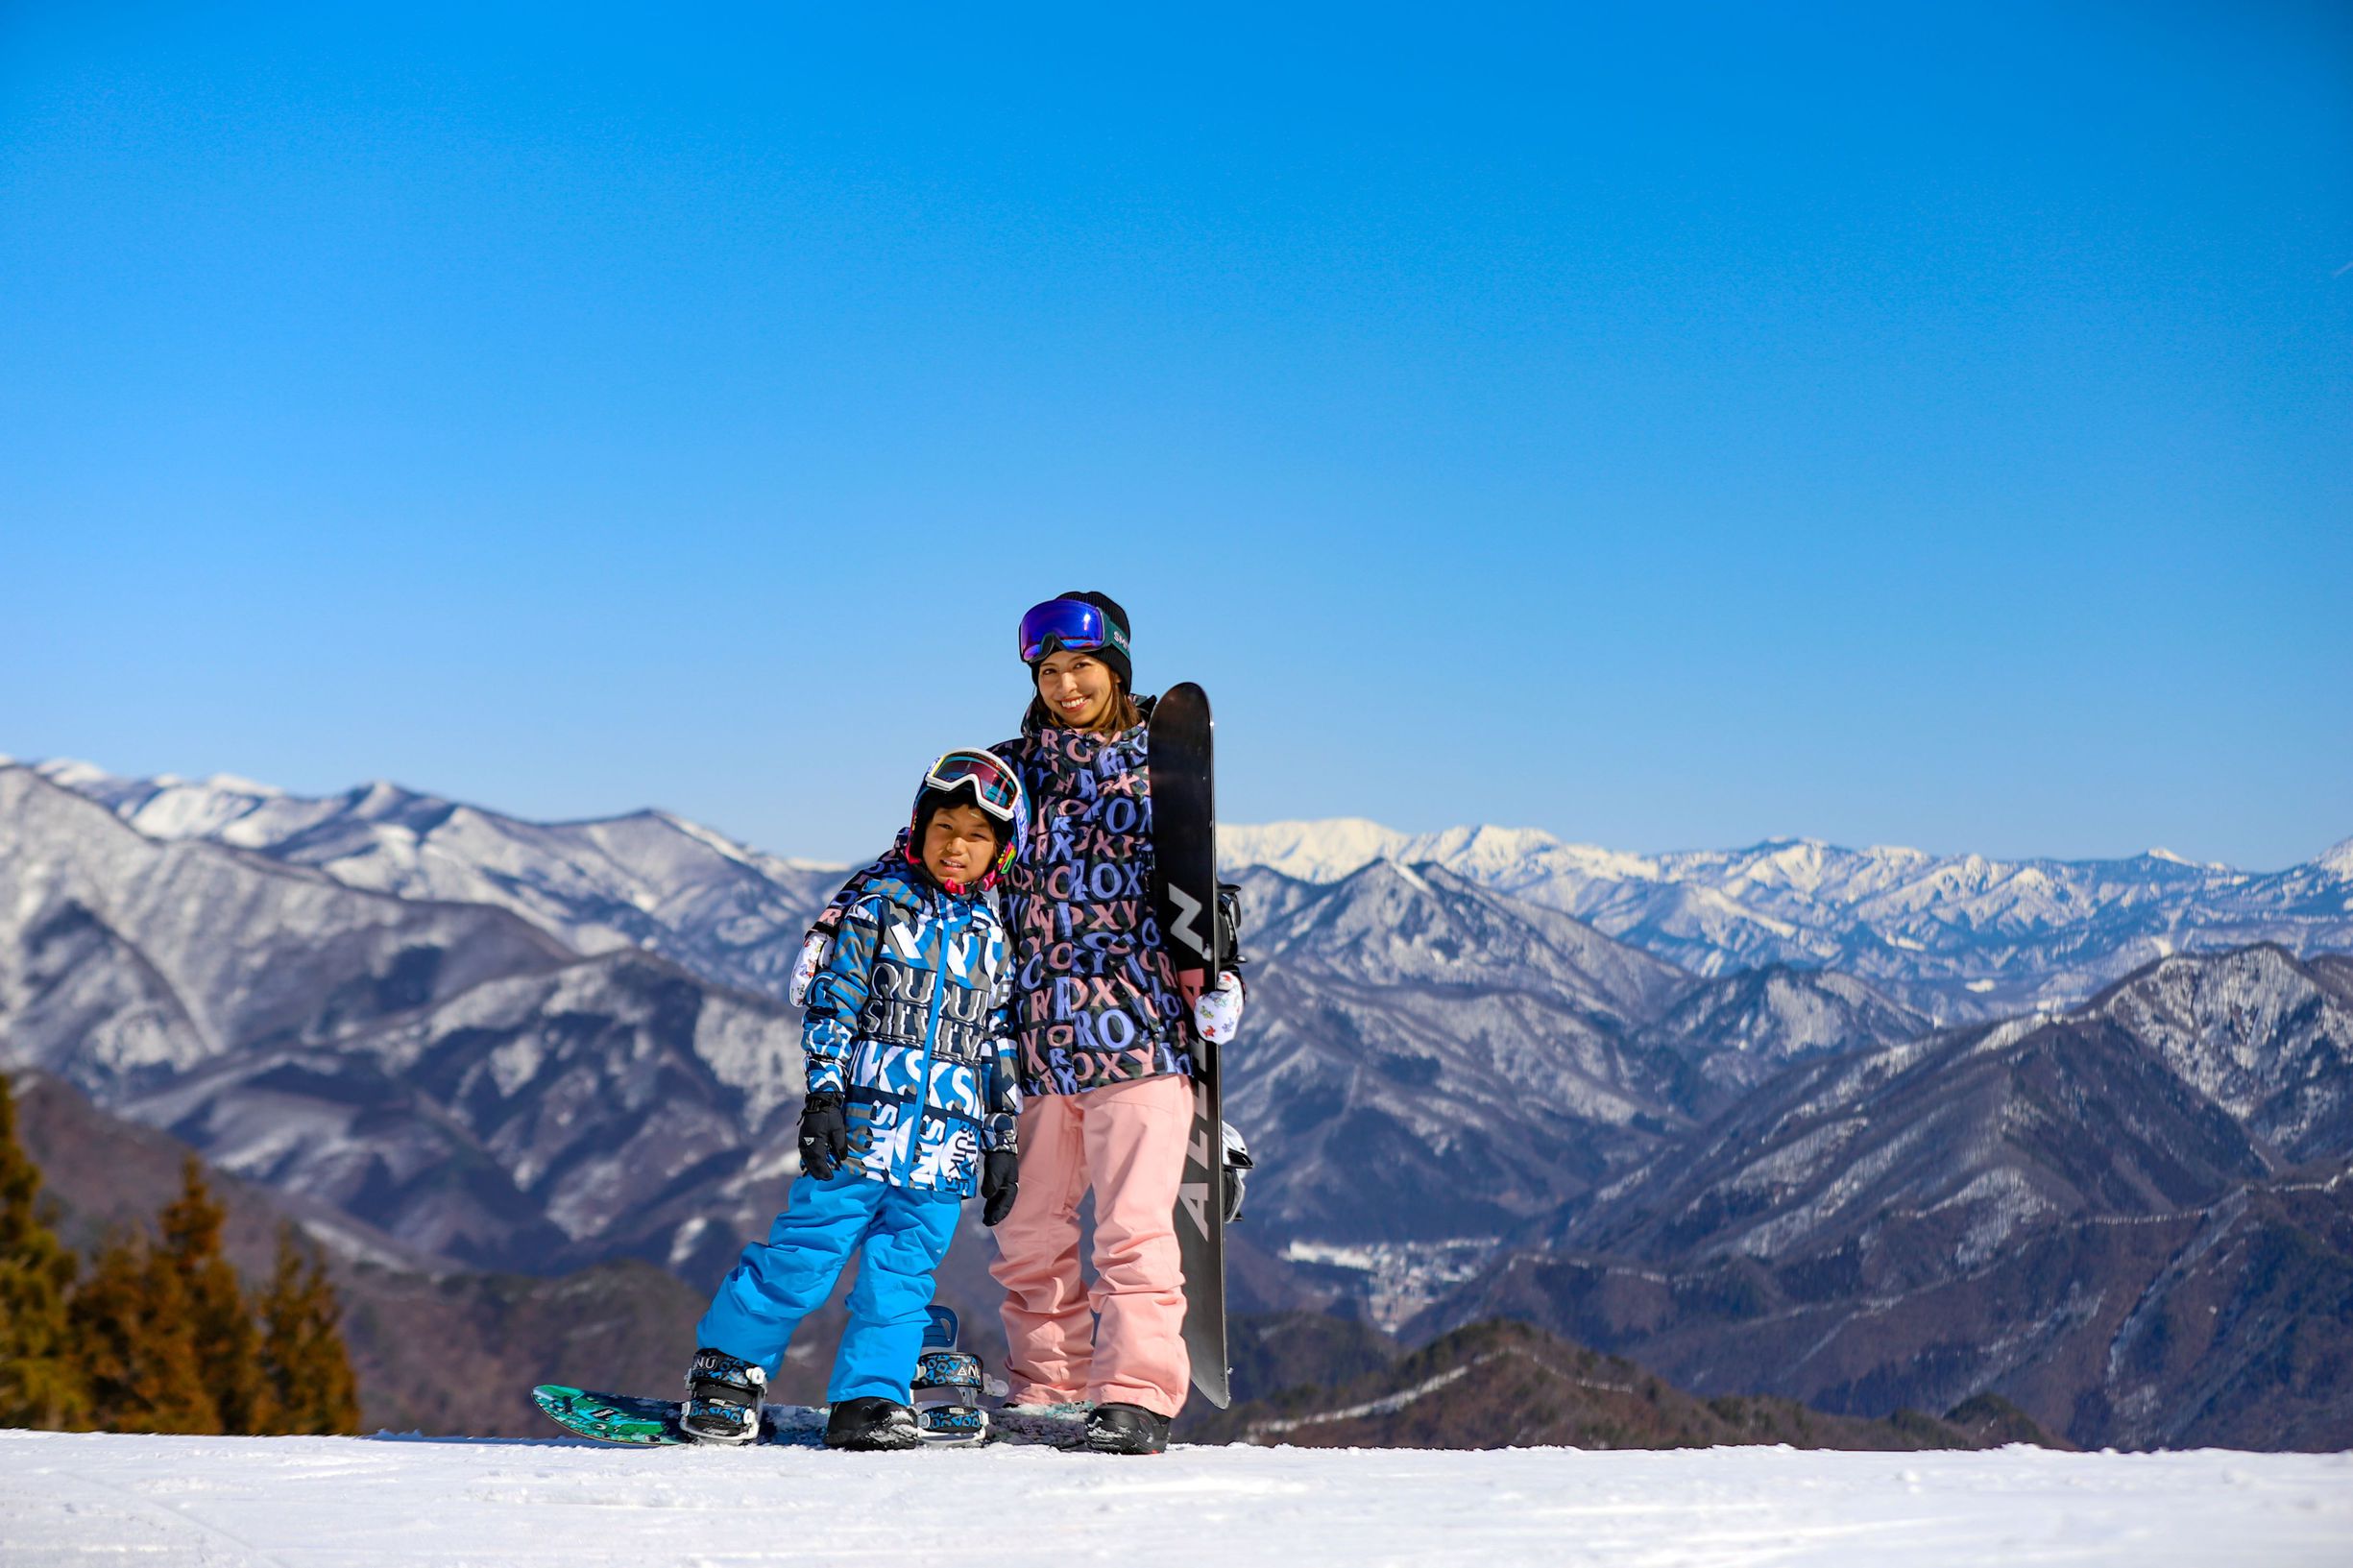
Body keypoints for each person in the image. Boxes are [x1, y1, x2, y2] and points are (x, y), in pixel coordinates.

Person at [795, 592, 1245, 1455]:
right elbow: (913, 856)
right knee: (1028, 1236)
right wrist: (832, 930)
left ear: (1116, 669)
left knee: (1132, 1230)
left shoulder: (1158, 771)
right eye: (1050, 671)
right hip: (1027, 1042)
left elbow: (1200, 894)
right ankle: (1049, 1386)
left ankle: (1137, 1394)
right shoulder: (1008, 772)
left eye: (1083, 667)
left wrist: (1227, 979)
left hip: (1137, 1036)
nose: (1067, 685)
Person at [683, 749, 1027, 1450]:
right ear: (919, 825)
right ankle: (729, 1368)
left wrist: (1000, 1140)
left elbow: (997, 1043)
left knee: (901, 1276)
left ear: (1000, 850)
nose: (955, 845)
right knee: (805, 1255)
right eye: (944, 826)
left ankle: (871, 1395)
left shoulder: (994, 937)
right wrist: (824, 1097)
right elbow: (830, 1007)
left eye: (976, 835)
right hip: (862, 1128)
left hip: (944, 1147)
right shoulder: (876, 902)